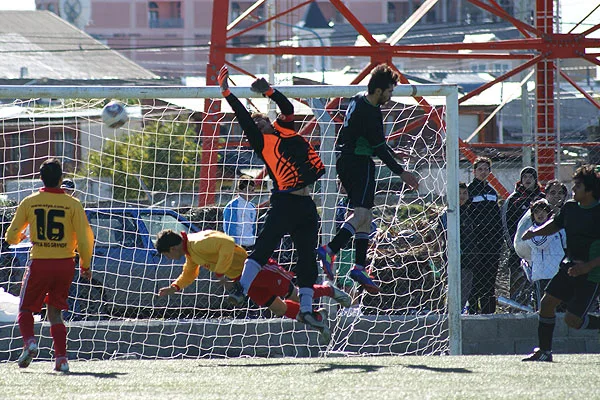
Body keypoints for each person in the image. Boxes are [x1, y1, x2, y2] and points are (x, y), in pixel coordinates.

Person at [217, 66, 327, 332]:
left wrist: (268, 90)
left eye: (260, 120)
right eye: (255, 124)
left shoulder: (283, 129)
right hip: (283, 201)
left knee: (306, 257)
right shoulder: (261, 143)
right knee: (265, 246)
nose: (258, 124)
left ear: (268, 119)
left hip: (305, 203)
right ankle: (241, 289)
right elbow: (243, 118)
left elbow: (287, 108)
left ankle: (309, 309)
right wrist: (227, 93)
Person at [315, 64, 419, 295]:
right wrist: (402, 172)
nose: (391, 97)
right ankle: (329, 250)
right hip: (359, 164)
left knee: (365, 215)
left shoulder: (358, 99)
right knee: (361, 214)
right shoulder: (371, 112)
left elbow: (367, 140)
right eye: (390, 91)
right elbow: (379, 148)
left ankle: (359, 267)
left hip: (349, 160)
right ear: (380, 90)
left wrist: (389, 152)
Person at [154, 229, 351, 343]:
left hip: (257, 269)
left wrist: (220, 272)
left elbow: (227, 243)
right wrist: (175, 287)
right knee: (278, 308)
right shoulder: (191, 251)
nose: (169, 259)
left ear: (173, 248)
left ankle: (328, 290)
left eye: (166, 255)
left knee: (295, 295)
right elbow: (190, 271)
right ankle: (317, 317)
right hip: (245, 282)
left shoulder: (197, 243)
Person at [4, 158, 94, 372]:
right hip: (64, 265)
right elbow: (85, 239)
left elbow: (10, 236)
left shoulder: (30, 201)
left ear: (41, 178)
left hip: (40, 262)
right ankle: (61, 359)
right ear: (61, 179)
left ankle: (30, 342)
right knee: (55, 312)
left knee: (25, 308)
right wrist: (85, 265)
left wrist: (19, 238)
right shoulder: (73, 204)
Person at [522, 165, 600, 362]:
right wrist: (535, 231)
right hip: (569, 267)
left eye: (578, 186)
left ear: (590, 190)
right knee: (547, 304)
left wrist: (587, 266)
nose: (573, 190)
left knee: (572, 320)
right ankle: (544, 351)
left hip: (592, 273)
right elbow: (555, 224)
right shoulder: (570, 208)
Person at [501, 167, 544, 304]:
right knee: (518, 288)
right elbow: (506, 225)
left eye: (530, 177)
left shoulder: (542, 199)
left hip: (540, 252)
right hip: (518, 253)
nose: (527, 179)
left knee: (540, 288)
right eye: (525, 177)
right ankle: (516, 311)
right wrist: (514, 247)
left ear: (535, 180)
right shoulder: (513, 199)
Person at [467, 156, 502, 314]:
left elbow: (496, 218)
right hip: (475, 243)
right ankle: (473, 311)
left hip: (492, 244)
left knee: (490, 280)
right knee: (475, 280)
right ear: (474, 171)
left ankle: (489, 312)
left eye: (486, 169)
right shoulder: (469, 191)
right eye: (480, 169)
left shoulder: (492, 192)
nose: (483, 172)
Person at [522, 199, 565, 310]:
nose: (540, 214)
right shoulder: (531, 232)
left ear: (548, 213)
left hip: (558, 275)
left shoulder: (559, 230)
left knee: (560, 308)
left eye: (543, 211)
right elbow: (541, 244)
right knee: (544, 308)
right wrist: (551, 227)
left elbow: (566, 245)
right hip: (541, 276)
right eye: (536, 212)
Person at [514, 180, 568, 262]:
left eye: (560, 193)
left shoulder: (567, 211)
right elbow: (521, 242)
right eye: (553, 193)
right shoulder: (536, 211)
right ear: (546, 195)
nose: (557, 196)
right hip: (538, 259)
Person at [223, 175, 258, 251]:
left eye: (252, 190)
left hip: (251, 244)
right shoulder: (232, 206)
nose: (250, 193)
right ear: (239, 190)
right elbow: (229, 228)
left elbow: (253, 227)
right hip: (238, 245)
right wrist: (234, 245)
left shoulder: (252, 207)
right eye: (247, 190)